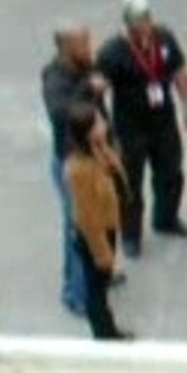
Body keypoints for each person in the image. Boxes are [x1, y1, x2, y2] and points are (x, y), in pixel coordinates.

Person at [97, 0, 187, 258]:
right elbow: (99, 90)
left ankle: (166, 219)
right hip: (130, 128)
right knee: (130, 184)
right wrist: (103, 128)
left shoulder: (164, 37)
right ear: (128, 24)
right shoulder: (111, 52)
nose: (146, 26)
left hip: (163, 121)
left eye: (148, 19)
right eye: (139, 21)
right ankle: (131, 234)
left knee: (171, 173)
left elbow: (178, 70)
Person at [42, 23, 107, 315]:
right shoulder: (54, 77)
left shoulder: (86, 66)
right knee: (79, 227)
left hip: (95, 156)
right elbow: (61, 112)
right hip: (72, 162)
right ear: (66, 48)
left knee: (98, 220)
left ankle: (96, 274)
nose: (89, 48)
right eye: (82, 44)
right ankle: (78, 294)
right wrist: (88, 87)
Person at [64, 103, 133, 340]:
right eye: (99, 122)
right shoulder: (79, 169)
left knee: (101, 282)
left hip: (109, 225)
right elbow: (87, 217)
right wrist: (102, 253)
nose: (105, 124)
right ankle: (105, 334)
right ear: (88, 131)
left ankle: (107, 329)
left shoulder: (99, 149)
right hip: (96, 233)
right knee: (97, 288)